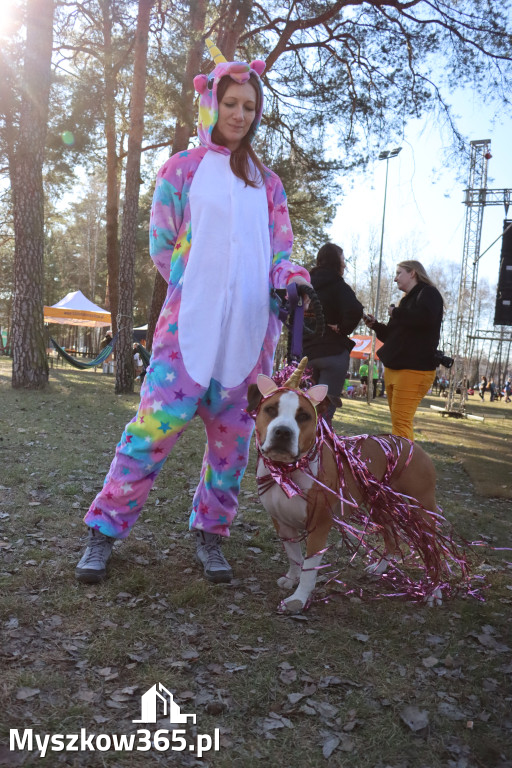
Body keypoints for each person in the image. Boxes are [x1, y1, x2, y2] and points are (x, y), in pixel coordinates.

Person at [75, 44, 311, 586]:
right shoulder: (181, 169)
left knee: (231, 451)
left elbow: (280, 255)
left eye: (249, 107)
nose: (239, 115)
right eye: (231, 103)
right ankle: (104, 532)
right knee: (146, 437)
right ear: (212, 103)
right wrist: (196, 287)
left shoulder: (268, 183)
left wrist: (292, 281)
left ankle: (212, 535)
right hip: (186, 339)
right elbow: (162, 244)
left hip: (249, 344)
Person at [363, 260, 443, 440]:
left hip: (414, 369)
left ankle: (404, 465)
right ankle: (403, 463)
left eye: (399, 273)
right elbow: (392, 337)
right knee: (399, 423)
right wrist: (375, 325)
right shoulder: (405, 302)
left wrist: (396, 313)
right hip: (395, 369)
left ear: (412, 273)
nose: (395, 278)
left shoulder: (428, 293)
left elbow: (426, 319)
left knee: (401, 424)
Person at [302, 243, 363, 422]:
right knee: (324, 411)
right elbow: (355, 309)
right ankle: (321, 447)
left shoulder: (305, 283)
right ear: (336, 262)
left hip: (307, 353)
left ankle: (303, 447)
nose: (344, 264)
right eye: (343, 260)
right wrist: (342, 328)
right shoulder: (338, 285)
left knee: (304, 408)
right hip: (332, 353)